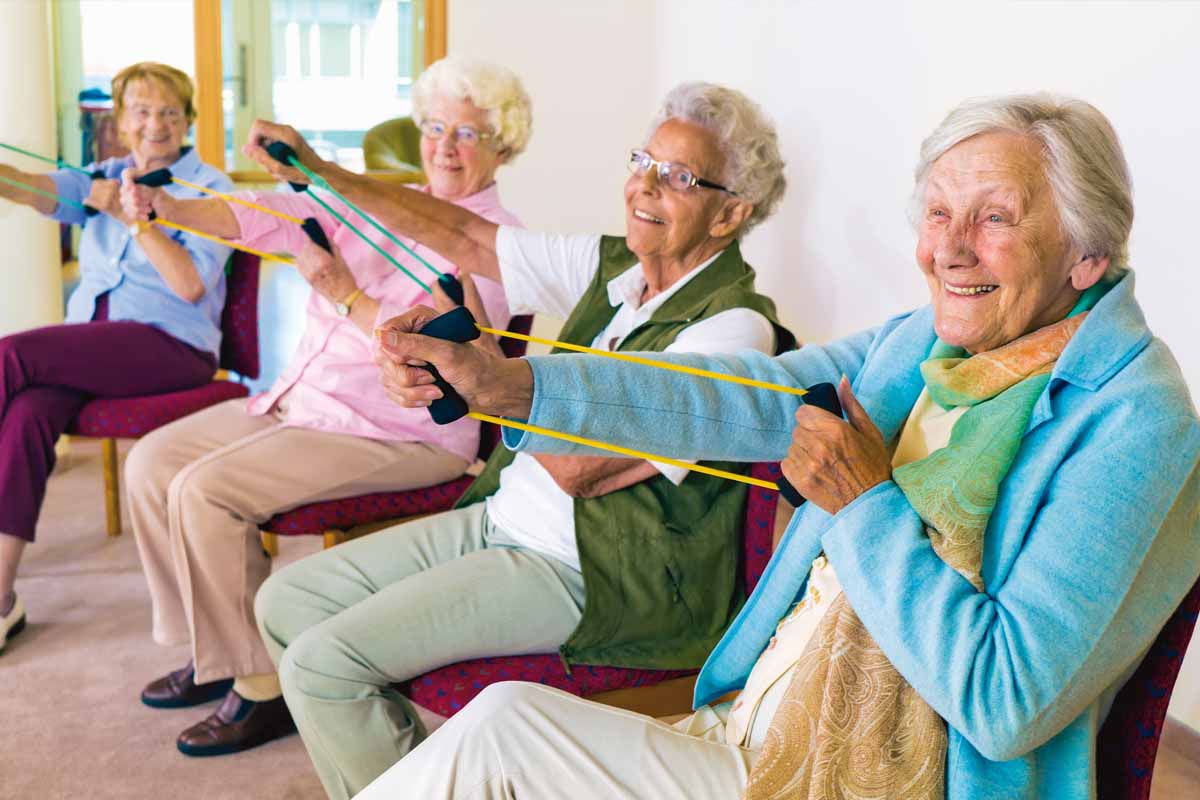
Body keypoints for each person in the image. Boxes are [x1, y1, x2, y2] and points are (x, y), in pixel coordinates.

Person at [366, 93, 1200, 800]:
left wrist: (867, 505)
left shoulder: (1138, 421)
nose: (947, 249)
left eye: (994, 219)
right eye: (939, 213)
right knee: (496, 733)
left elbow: (1004, 701)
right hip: (755, 731)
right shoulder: (923, 346)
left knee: (499, 739)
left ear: (1087, 253)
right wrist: (511, 387)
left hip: (867, 778)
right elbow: (722, 395)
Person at [246, 80, 795, 798]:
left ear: (731, 214)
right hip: (505, 517)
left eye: (679, 177)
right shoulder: (616, 271)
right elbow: (465, 236)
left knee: (323, 666)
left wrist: (481, 376)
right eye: (643, 161)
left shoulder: (732, 329)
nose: (644, 186)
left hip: (592, 566)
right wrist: (324, 174)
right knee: (285, 604)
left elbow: (577, 468)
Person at [115, 56, 529, 757]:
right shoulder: (385, 197)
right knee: (153, 463)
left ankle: (259, 687)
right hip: (305, 400)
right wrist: (167, 208)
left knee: (204, 491)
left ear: (503, 145)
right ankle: (215, 650)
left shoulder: (498, 242)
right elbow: (263, 218)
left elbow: (442, 356)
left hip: (396, 431)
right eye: (434, 127)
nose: (445, 146)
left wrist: (341, 290)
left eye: (469, 132)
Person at [0, 62, 231, 655]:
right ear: (121, 123)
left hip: (170, 346)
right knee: (28, 412)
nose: (156, 124)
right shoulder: (98, 175)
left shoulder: (210, 189)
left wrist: (134, 215)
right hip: (94, 349)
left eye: (170, 112)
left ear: (188, 121)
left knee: (9, 357)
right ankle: (1, 599)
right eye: (142, 112)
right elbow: (24, 185)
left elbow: (189, 287)